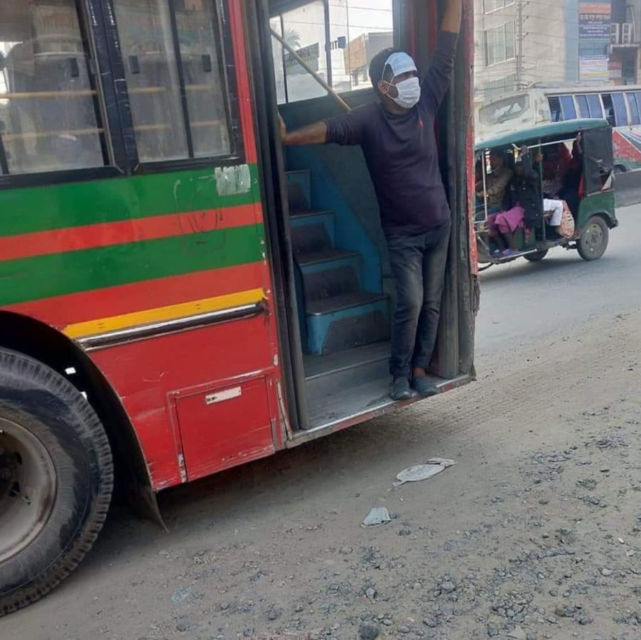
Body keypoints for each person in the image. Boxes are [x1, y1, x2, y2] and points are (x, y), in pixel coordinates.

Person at [280, 0, 462, 401]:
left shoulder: (427, 101)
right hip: (403, 236)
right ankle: (398, 375)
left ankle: (419, 369)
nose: (416, 78)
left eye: (415, 71)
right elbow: (329, 128)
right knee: (410, 303)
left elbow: (447, 48)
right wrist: (288, 138)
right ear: (384, 87)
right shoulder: (368, 120)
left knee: (431, 303)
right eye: (405, 74)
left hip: (439, 225)